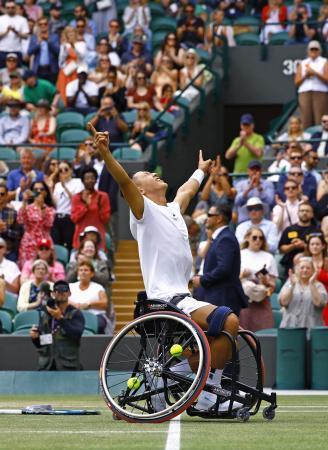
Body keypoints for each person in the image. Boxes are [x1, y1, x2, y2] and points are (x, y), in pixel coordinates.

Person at [87, 122, 241, 412]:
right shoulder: (143, 211)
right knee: (229, 322)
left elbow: (187, 189)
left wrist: (201, 171)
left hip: (184, 297)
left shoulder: (172, 209)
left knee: (228, 331)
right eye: (147, 175)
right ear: (141, 190)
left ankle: (178, 371)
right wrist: (106, 153)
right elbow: (124, 182)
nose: (155, 174)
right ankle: (207, 395)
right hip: (166, 299)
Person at [192, 204, 248, 315]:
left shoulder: (225, 238)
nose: (206, 218)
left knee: (221, 332)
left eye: (209, 215)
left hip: (223, 298)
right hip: (218, 296)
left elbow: (223, 269)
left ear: (219, 218)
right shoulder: (221, 237)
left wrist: (202, 279)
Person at [29, 279, 85, 371]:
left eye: (64, 290)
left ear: (69, 294)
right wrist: (35, 338)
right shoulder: (46, 315)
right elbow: (42, 344)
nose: (61, 292)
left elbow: (76, 335)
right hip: (47, 366)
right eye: (57, 290)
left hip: (68, 366)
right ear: (53, 294)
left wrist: (60, 319)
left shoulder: (75, 313)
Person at [238, 226, 277, 332]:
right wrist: (242, 276)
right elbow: (231, 281)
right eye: (254, 237)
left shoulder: (269, 257)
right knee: (244, 334)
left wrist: (265, 282)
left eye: (261, 238)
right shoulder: (240, 254)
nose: (258, 240)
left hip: (262, 300)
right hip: (244, 300)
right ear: (247, 238)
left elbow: (272, 288)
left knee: (264, 333)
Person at [71, 166, 111, 252]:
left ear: (96, 179)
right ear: (82, 181)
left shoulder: (103, 196)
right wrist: (85, 205)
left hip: (98, 238)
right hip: (81, 238)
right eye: (87, 178)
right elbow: (74, 219)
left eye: (92, 178)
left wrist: (98, 206)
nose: (90, 180)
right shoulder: (76, 197)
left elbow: (106, 219)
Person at [279, 257, 327, 328]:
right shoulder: (290, 283)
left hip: (311, 327)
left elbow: (319, 303)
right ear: (297, 270)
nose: (305, 270)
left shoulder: (319, 286)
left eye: (308, 268)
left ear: (313, 271)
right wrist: (292, 286)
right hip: (289, 327)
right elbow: (283, 302)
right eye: (302, 268)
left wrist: (312, 284)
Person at [17, 180, 55, 269]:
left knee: (45, 268)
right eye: (35, 189)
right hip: (28, 243)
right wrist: (24, 201)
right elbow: (21, 220)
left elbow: (48, 224)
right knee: (27, 268)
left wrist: (42, 209)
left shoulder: (50, 210)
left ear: (45, 192)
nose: (38, 192)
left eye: (41, 189)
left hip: (44, 242)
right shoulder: (27, 208)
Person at [69, 260, 111, 335]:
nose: (83, 272)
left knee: (99, 324)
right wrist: (75, 305)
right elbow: (64, 300)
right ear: (78, 273)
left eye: (86, 270)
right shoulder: (70, 286)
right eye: (81, 270)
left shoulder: (98, 287)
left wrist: (89, 304)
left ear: (92, 274)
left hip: (96, 316)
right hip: (74, 315)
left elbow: (105, 304)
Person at [278, 201, 320, 275]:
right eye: (302, 211)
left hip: (311, 265)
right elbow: (281, 249)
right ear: (297, 213)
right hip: (291, 265)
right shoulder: (289, 229)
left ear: (312, 214)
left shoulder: (316, 231)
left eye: (307, 211)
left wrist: (304, 245)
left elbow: (321, 249)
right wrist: (293, 246)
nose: (304, 213)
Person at [295, 41, 328, 129]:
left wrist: (315, 73)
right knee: (305, 118)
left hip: (320, 92)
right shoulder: (302, 63)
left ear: (319, 51)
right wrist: (306, 75)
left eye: (315, 49)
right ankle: (306, 139)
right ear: (308, 51)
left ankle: (321, 139)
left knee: (320, 118)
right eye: (311, 49)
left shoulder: (324, 61)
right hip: (304, 92)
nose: (313, 51)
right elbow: (297, 82)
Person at [52, 160, 84, 251]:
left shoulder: (77, 182)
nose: (63, 172)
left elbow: (76, 200)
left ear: (71, 170)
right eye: (60, 170)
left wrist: (65, 187)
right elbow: (55, 203)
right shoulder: (57, 185)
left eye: (66, 169)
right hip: (57, 216)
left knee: (69, 243)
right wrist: (50, 188)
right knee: (56, 244)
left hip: (69, 217)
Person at [56, 26, 86, 106]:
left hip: (77, 70)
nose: (70, 35)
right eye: (68, 33)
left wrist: (73, 47)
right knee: (64, 90)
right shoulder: (64, 46)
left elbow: (81, 57)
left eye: (72, 32)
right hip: (66, 71)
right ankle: (65, 106)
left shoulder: (81, 44)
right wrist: (65, 50)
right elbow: (60, 62)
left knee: (75, 89)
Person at [27, 17, 60, 84]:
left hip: (51, 69)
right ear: (38, 26)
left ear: (48, 25)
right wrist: (38, 44)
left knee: (51, 90)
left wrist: (48, 41)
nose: (43, 26)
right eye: (41, 24)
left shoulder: (54, 37)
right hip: (38, 69)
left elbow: (58, 51)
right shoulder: (34, 37)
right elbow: (29, 52)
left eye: (45, 24)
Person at [0, 0, 29, 68]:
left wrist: (15, 31)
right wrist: (6, 31)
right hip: (2, 50)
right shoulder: (0, 19)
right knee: (2, 75)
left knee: (17, 75)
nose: (10, 9)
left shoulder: (22, 19)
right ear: (5, 8)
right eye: (8, 7)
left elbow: (26, 36)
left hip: (16, 50)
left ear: (16, 8)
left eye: (12, 7)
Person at [0, 184, 22, 261]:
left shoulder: (13, 213)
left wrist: (5, 230)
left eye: (1, 194)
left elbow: (18, 235)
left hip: (8, 252)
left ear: (6, 196)